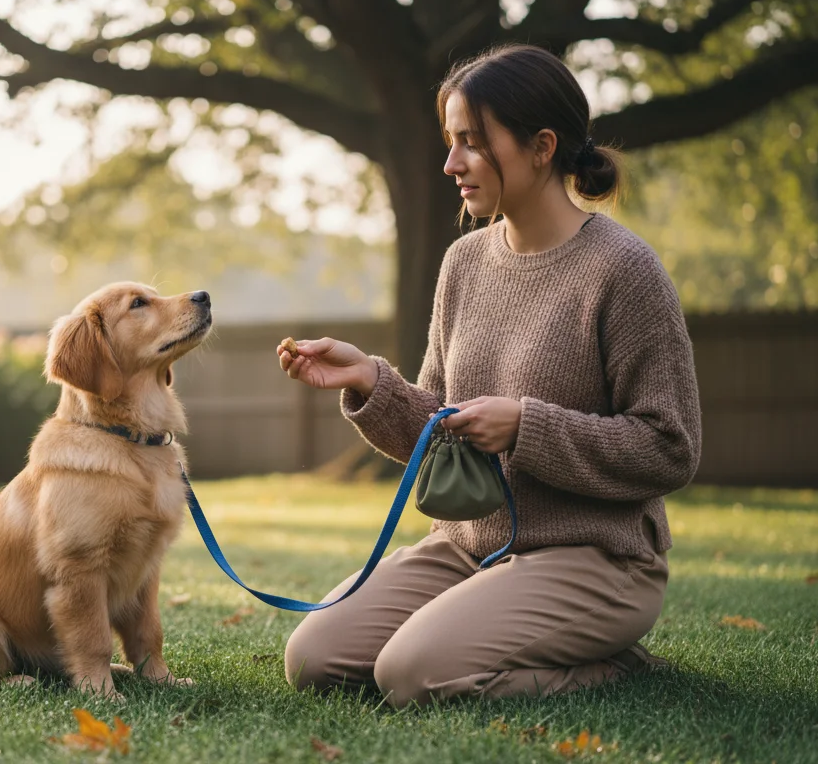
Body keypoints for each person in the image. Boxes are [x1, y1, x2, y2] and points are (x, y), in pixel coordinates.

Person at [276, 44, 702, 708]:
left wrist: (527, 428)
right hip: (468, 547)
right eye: (451, 142)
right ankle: (477, 625)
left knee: (411, 675)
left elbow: (669, 447)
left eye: (472, 142)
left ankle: (618, 667)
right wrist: (369, 381)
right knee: (314, 657)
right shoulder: (464, 263)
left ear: (541, 146)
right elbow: (441, 428)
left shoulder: (623, 270)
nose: (451, 164)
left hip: (594, 559)